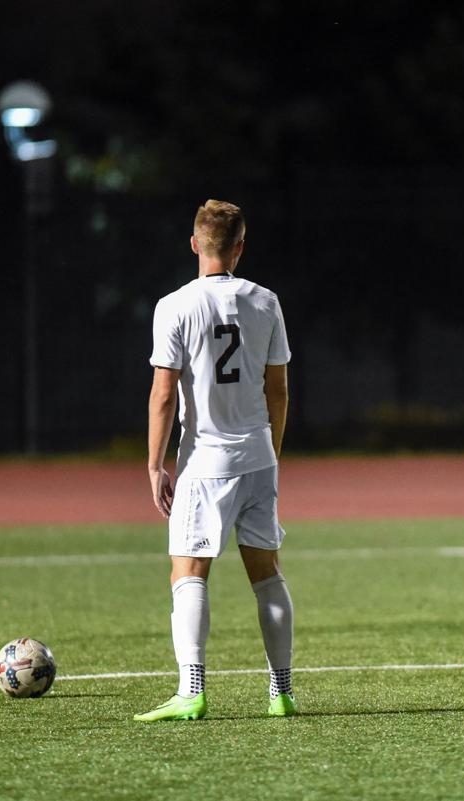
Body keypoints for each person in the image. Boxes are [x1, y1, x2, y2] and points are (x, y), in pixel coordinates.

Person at [136, 200, 296, 721]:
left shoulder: (175, 305)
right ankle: (282, 693)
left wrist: (156, 464)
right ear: (240, 247)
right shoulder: (266, 301)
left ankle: (192, 690)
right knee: (267, 575)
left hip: (204, 463)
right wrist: (270, 455)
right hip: (257, 457)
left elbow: (163, 394)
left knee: (188, 574)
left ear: (194, 244)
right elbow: (279, 389)